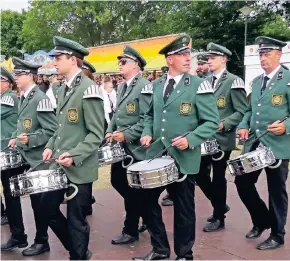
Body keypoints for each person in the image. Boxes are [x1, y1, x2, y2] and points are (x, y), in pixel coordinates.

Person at [135, 33, 219, 260]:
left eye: (188, 54)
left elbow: (211, 122)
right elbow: (150, 115)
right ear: (169, 59)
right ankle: (161, 250)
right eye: (182, 55)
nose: (187, 58)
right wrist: (146, 133)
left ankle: (184, 254)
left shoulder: (199, 85)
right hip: (157, 154)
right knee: (145, 200)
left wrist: (191, 139)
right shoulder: (158, 84)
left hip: (183, 156)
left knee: (183, 209)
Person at [42, 36, 104, 260]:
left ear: (73, 60)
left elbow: (96, 134)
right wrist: (50, 146)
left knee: (77, 220)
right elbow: (60, 128)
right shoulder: (62, 89)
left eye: (58, 58)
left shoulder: (89, 89)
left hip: (79, 166)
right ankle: (77, 249)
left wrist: (75, 155)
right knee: (46, 209)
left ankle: (78, 255)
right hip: (60, 164)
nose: (54, 62)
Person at [236, 36, 289, 250]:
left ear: (278, 54)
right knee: (243, 183)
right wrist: (242, 125)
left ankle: (278, 234)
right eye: (260, 54)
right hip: (255, 144)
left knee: (276, 190)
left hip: (278, 144)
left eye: (267, 54)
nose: (263, 58)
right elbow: (249, 110)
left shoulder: (287, 79)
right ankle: (261, 220)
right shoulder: (257, 82)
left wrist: (287, 126)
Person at [1, 58, 58, 257]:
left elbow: (52, 130)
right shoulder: (25, 97)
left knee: (38, 201)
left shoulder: (39, 98)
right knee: (20, 196)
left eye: (19, 74)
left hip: (36, 158)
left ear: (29, 75)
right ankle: (26, 237)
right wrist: (17, 139)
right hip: (23, 156)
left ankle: (42, 241)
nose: (15, 78)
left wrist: (29, 139)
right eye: (15, 74)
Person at [194, 43, 248, 232]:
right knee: (199, 174)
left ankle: (219, 217)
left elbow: (242, 111)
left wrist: (224, 123)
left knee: (218, 178)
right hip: (204, 137)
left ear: (224, 59)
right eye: (208, 58)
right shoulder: (205, 81)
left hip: (223, 138)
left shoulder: (234, 81)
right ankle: (219, 204)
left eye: (213, 58)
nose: (209, 61)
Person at [105, 45, 151, 245]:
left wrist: (126, 135)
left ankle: (131, 228)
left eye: (123, 62)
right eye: (120, 62)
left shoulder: (144, 86)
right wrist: (109, 130)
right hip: (122, 148)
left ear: (136, 65)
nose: (120, 65)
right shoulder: (122, 86)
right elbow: (116, 114)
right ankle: (146, 215)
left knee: (132, 188)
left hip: (137, 148)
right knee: (118, 181)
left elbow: (147, 119)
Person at [1, 66, 18, 227]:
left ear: (6, 83)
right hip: (4, 152)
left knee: (10, 191)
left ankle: (17, 230)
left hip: (9, 152)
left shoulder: (9, 97)